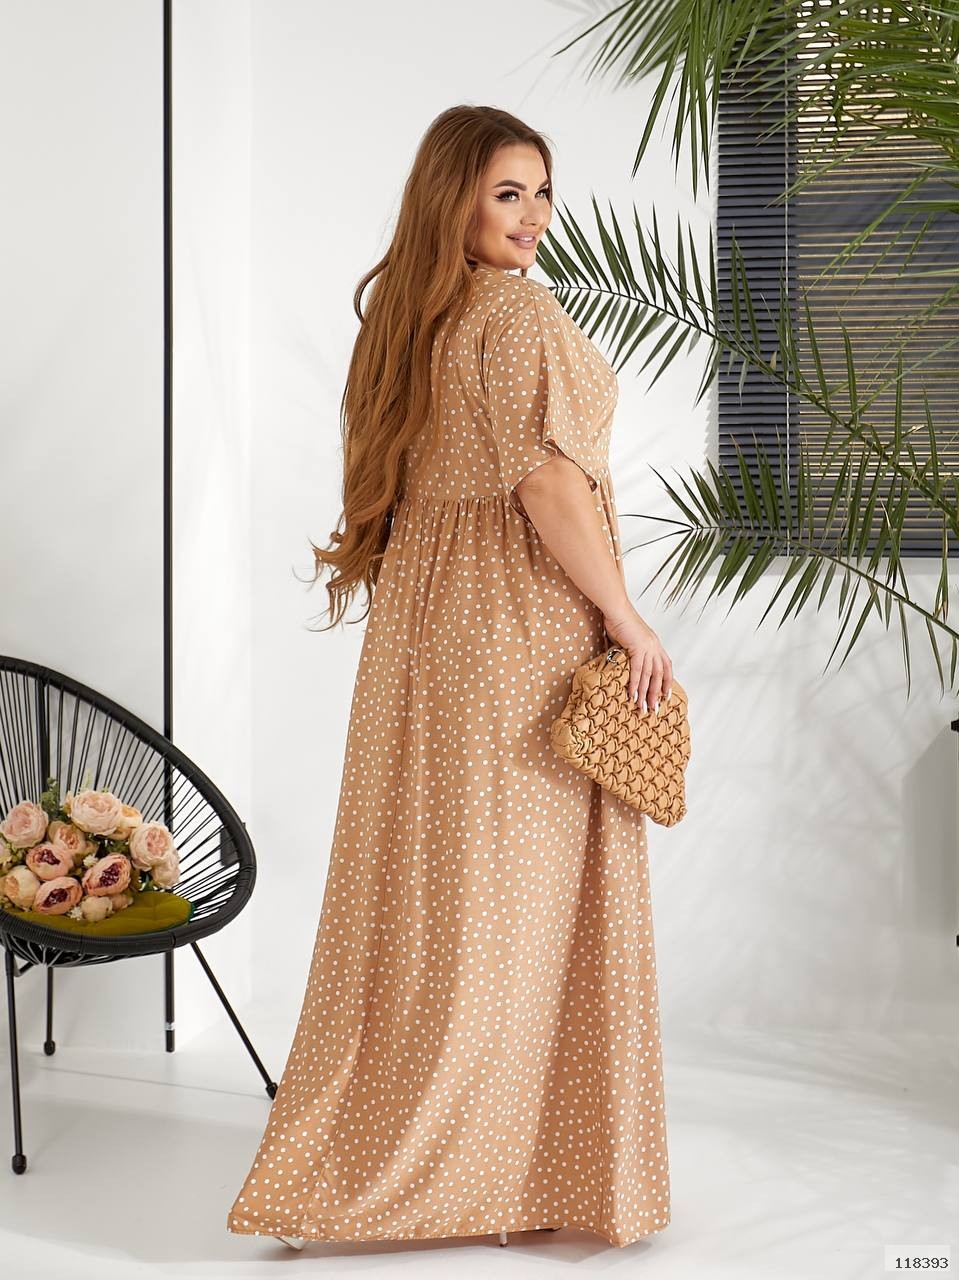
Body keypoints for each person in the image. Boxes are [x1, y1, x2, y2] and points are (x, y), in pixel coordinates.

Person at [226, 103, 674, 1251]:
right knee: (517, 908)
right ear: (453, 199)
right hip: (519, 624)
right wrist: (623, 616)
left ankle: (416, 1152)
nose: (531, 216)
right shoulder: (514, 316)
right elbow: (548, 486)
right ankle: (489, 1172)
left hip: (425, 635)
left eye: (541, 192)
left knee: (436, 898)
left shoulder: (410, 321)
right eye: (505, 192)